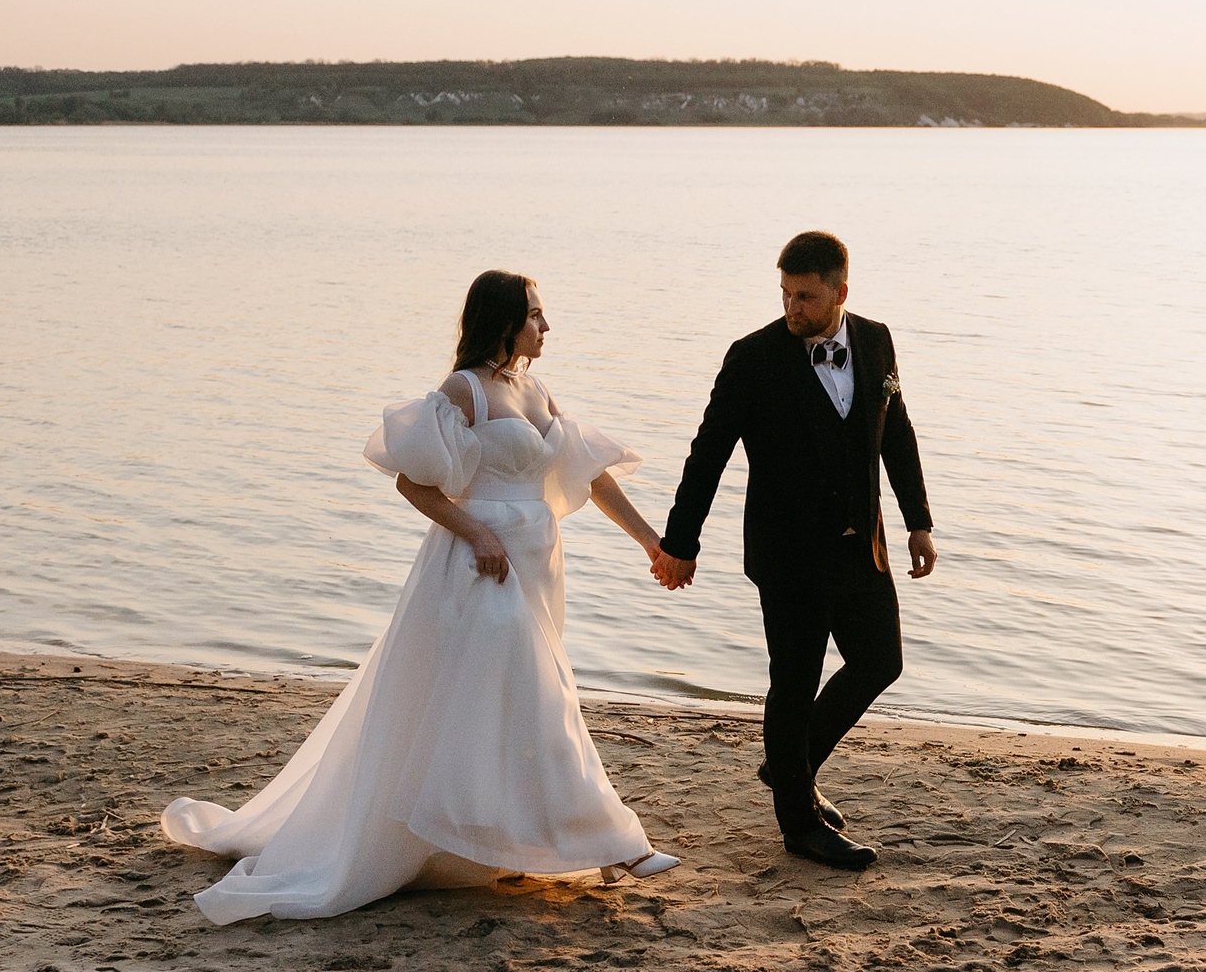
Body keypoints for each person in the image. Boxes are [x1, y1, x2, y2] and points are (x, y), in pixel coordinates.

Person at [164, 270, 681, 923]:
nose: (546, 327)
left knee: (507, 706)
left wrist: (650, 541)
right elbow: (414, 483)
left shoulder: (535, 390)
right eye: (536, 315)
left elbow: (588, 473)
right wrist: (477, 532)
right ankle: (616, 844)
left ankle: (518, 837)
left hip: (538, 565)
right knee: (546, 698)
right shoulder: (463, 390)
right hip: (480, 568)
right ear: (504, 322)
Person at [655, 231, 935, 869]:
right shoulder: (751, 357)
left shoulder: (876, 339)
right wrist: (680, 542)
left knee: (880, 661)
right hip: (787, 555)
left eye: (806, 297)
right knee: (795, 678)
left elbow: (897, 433)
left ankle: (789, 764)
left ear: (841, 291)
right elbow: (708, 453)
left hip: (862, 546)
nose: (792, 309)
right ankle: (798, 823)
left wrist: (918, 520)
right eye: (785, 294)